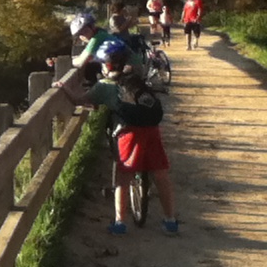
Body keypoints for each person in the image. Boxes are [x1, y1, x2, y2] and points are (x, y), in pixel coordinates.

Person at [53, 39, 179, 235]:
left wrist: (63, 87)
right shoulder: (135, 78)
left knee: (123, 176)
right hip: (151, 129)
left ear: (107, 64)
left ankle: (120, 222)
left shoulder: (104, 86)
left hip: (128, 132)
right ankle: (170, 220)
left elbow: (80, 101)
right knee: (160, 173)